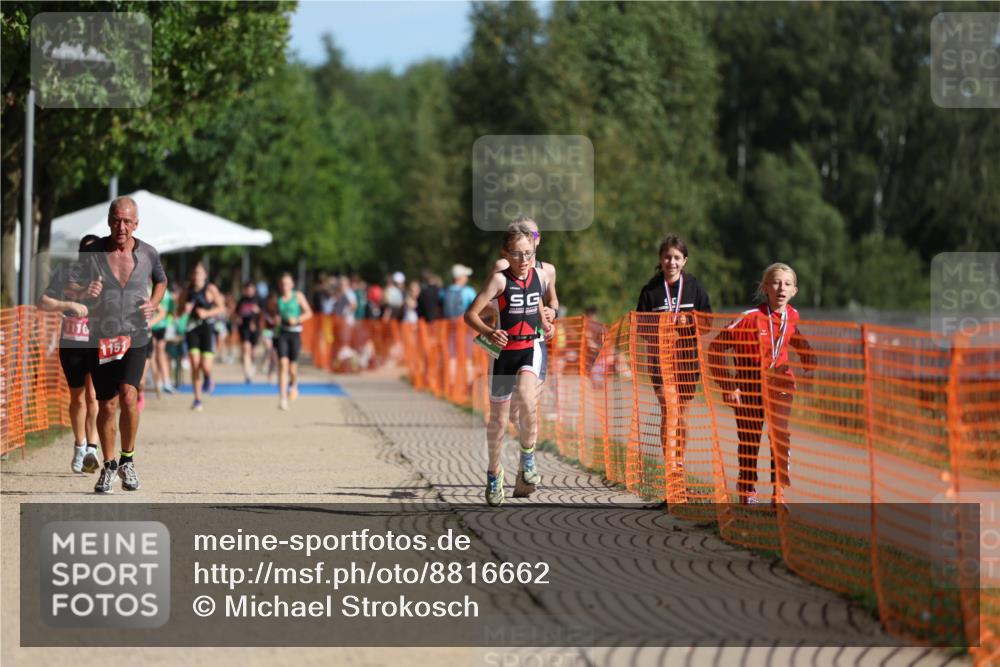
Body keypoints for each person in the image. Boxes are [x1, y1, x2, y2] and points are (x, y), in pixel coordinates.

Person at [708, 262, 815, 506]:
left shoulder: (793, 316)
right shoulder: (748, 319)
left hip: (781, 383)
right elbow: (715, 349)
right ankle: (747, 490)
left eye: (787, 284)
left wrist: (808, 356)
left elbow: (792, 335)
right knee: (750, 438)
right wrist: (727, 386)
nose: (781, 288)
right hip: (748, 386)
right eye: (776, 282)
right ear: (765, 287)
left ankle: (778, 492)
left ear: (794, 291)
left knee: (779, 435)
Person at [464, 222, 554, 506]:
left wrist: (546, 323)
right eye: (517, 254)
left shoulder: (541, 274)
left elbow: (539, 305)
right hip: (503, 354)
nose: (523, 260)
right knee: (498, 421)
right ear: (506, 253)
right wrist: (490, 331)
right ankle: (494, 473)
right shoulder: (499, 280)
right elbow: (470, 315)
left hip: (529, 348)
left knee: (528, 399)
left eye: (527, 254)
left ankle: (528, 457)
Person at [81, 196, 167, 493]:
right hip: (101, 337)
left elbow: (161, 281)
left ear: (136, 224)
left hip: (135, 335)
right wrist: (85, 290)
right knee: (107, 404)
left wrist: (153, 304)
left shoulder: (148, 253)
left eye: (128, 221)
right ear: (108, 220)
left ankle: (127, 459)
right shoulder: (92, 252)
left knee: (129, 395)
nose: (122, 227)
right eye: (117, 220)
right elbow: (73, 286)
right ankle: (108, 465)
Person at [635, 235, 712, 492]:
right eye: (667, 257)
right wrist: (661, 327)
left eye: (677, 257)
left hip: (687, 360)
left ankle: (679, 461)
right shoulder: (650, 290)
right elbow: (640, 327)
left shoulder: (694, 288)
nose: (672, 262)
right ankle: (670, 464)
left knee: (683, 415)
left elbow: (708, 322)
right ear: (661, 259)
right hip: (661, 361)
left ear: (685, 261)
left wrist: (688, 323)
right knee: (670, 409)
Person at [37, 234, 101, 474]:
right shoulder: (66, 274)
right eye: (86, 251)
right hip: (72, 343)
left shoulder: (107, 275)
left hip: (96, 342)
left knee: (94, 397)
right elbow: (42, 301)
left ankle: (92, 449)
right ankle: (79, 444)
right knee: (77, 398)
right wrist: (69, 304)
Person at [178, 262, 225, 412]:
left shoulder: (211, 289)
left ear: (205, 274)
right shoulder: (187, 291)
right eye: (195, 273)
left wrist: (207, 313)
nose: (197, 276)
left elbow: (222, 308)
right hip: (192, 329)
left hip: (207, 328)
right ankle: (197, 399)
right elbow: (178, 312)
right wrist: (184, 310)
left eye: (200, 273)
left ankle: (208, 377)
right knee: (194, 364)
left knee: (205, 366)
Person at [272, 272, 313, 410]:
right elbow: (275, 315)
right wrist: (276, 321)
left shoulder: (298, 296)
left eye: (287, 284)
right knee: (283, 365)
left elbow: (309, 312)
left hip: (295, 334)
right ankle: (282, 398)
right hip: (282, 333)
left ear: (292, 285)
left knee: (292, 369)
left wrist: (297, 320)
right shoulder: (278, 299)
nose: (285, 286)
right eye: (283, 284)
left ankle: (294, 384)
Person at [150, 276, 176, 394]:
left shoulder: (167, 293)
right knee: (155, 354)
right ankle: (160, 381)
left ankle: (164, 381)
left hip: (161, 326)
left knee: (159, 353)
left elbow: (171, 311)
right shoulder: (149, 289)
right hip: (153, 326)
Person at [235, 281, 263, 384]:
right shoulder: (241, 300)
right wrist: (238, 318)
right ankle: (247, 373)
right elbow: (236, 313)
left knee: (252, 352)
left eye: (251, 289)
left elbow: (264, 312)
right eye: (247, 289)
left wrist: (258, 311)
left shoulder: (258, 299)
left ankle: (252, 365)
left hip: (255, 328)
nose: (249, 291)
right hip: (244, 328)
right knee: (246, 349)